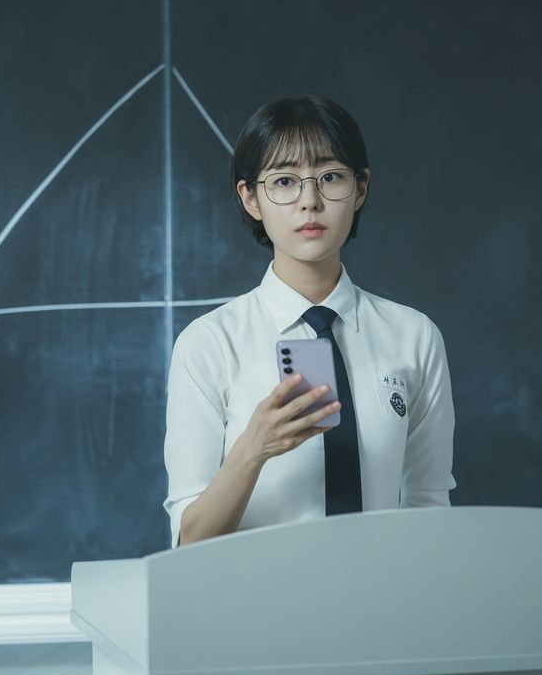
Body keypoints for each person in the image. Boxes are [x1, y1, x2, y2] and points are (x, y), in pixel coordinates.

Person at [163, 93, 456, 547]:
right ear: (251, 198)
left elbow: (430, 511)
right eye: (284, 181)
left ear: (360, 189)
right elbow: (187, 541)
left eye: (331, 177)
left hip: (382, 607)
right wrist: (253, 447)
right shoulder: (209, 344)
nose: (310, 202)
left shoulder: (413, 337)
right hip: (256, 610)